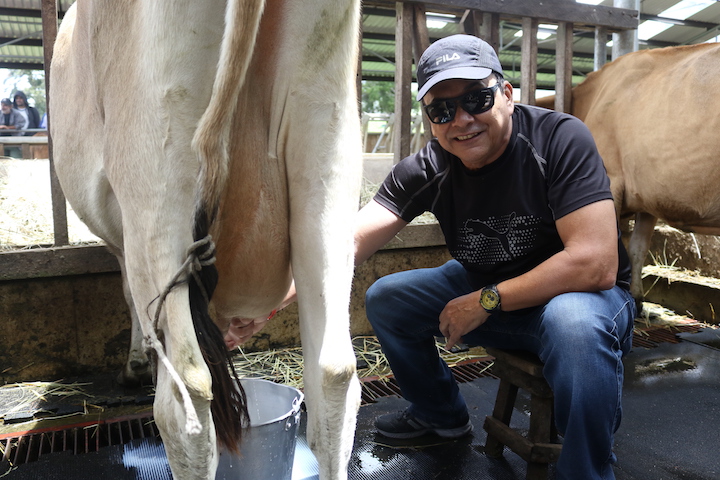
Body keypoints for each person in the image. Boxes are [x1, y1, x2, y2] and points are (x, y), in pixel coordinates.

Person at [225, 34, 635, 480]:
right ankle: (440, 414)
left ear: (507, 93)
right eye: (442, 110)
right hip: (487, 287)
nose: (462, 120)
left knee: (573, 325)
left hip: (577, 300)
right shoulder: (429, 167)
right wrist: (268, 305)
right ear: (430, 120)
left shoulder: (559, 139)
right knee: (388, 298)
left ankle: (586, 471)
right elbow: (349, 245)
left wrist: (486, 301)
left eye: (476, 99)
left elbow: (595, 264)